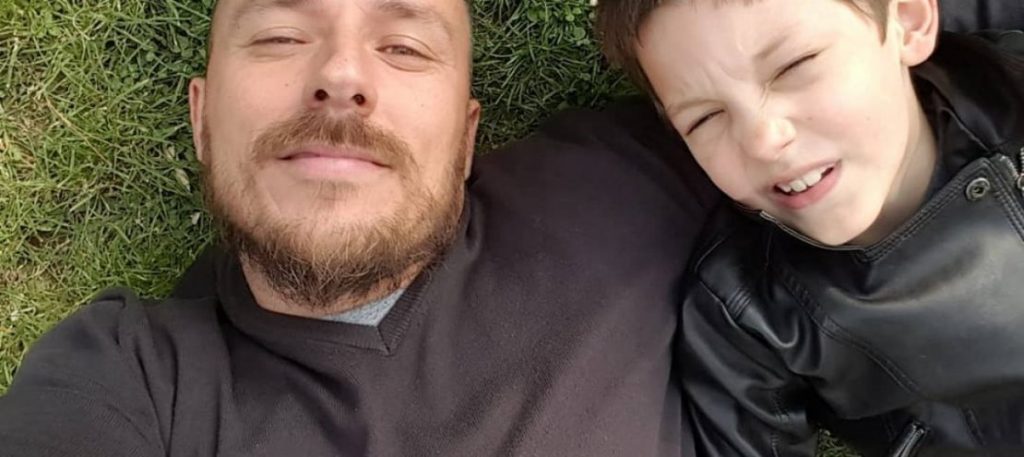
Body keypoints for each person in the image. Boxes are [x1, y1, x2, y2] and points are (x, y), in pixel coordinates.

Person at [0, 0, 720, 456]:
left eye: (404, 47)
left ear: (467, 137)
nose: (342, 74)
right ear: (202, 118)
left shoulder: (621, 183)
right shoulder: (125, 382)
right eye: (280, 35)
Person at [595, 0, 1024, 455]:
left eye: (794, 65)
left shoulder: (1009, 83)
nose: (762, 141)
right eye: (705, 118)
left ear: (908, 20)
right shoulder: (749, 317)